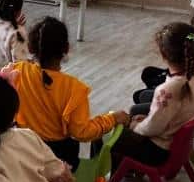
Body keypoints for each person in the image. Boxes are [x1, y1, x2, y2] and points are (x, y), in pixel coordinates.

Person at [10, 17, 128, 169]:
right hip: (58, 158)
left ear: (31, 48)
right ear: (66, 48)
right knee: (99, 141)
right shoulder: (74, 88)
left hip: (23, 151)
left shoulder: (16, 71)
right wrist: (112, 118)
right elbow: (82, 132)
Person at [112, 22, 194, 176]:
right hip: (174, 142)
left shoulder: (168, 90)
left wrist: (135, 125)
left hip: (158, 150)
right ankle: (127, 172)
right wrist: (147, 119)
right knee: (133, 115)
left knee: (106, 132)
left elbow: (153, 128)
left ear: (164, 55)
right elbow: (167, 117)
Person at [0, 0, 30, 69]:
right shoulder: (18, 33)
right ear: (18, 12)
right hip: (12, 78)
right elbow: (20, 66)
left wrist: (15, 25)